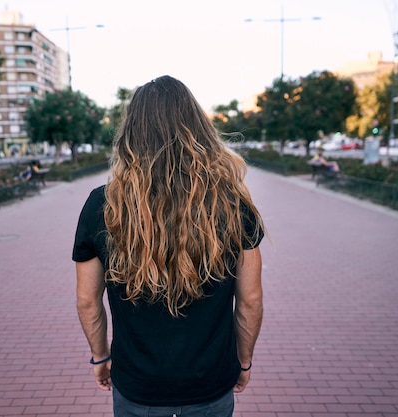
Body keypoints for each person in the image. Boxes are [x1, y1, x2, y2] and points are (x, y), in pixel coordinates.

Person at [73, 75, 265, 416]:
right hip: (210, 384)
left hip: (137, 387)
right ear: (198, 129)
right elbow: (249, 300)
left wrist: (101, 357)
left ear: (131, 134)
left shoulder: (102, 206)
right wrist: (244, 361)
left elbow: (88, 300)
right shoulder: (233, 204)